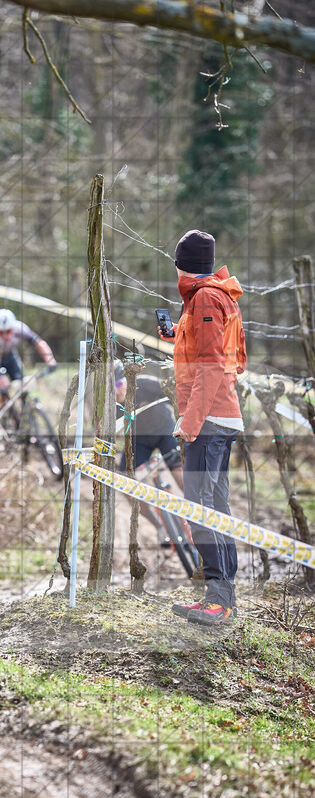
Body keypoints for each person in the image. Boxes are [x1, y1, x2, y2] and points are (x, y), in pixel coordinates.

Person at [164, 229, 246, 627]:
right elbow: (236, 358)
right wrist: (177, 335)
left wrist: (190, 422)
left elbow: (213, 365)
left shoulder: (204, 299)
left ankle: (218, 599)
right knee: (215, 507)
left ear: (182, 264)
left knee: (201, 510)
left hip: (209, 421)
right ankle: (223, 596)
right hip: (221, 416)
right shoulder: (219, 296)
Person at [114, 359, 184, 546]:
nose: (117, 391)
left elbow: (176, 395)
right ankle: (160, 526)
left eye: (119, 384)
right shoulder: (109, 405)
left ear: (126, 381)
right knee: (126, 485)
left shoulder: (144, 384)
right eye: (111, 388)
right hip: (139, 441)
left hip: (165, 432)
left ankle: (199, 519)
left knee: (181, 474)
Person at [0, 308, 57, 404]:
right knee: (3, 383)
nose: (5, 336)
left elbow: (39, 343)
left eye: (8, 331)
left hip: (10, 356)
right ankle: (2, 404)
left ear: (13, 327)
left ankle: (25, 412)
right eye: (1, 332)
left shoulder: (20, 328)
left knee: (22, 384)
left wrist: (50, 360)